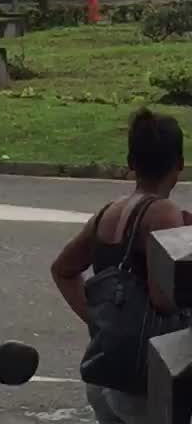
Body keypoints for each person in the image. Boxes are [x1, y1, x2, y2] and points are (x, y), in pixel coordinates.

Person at [51, 107, 188, 424]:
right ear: (179, 164)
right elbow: (163, 297)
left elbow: (62, 269)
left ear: (131, 163)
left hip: (106, 373)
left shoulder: (108, 212)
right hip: (145, 379)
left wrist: (100, 320)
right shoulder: (164, 213)